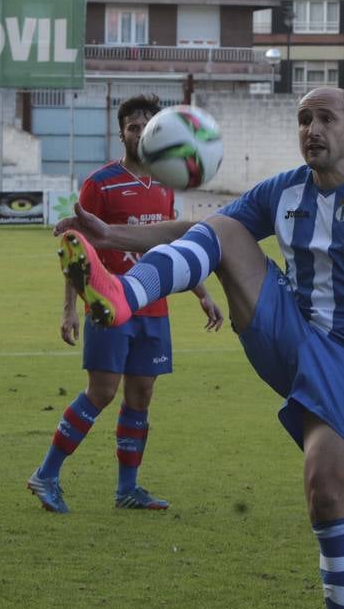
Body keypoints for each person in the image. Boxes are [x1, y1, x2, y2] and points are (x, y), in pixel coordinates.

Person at [53, 87, 344, 609]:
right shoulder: (284, 190)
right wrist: (110, 234)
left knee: (326, 494)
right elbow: (202, 230)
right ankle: (122, 296)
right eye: (303, 119)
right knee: (225, 229)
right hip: (288, 329)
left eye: (325, 119)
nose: (312, 129)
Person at [27, 95, 224, 514]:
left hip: (153, 308)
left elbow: (172, 246)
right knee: (101, 392)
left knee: (141, 396)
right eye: (133, 127)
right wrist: (70, 308)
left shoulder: (166, 184)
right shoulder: (100, 184)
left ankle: (127, 489)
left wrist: (203, 292)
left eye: (147, 127)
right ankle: (46, 474)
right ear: (122, 133)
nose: (140, 134)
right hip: (109, 305)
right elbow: (76, 248)